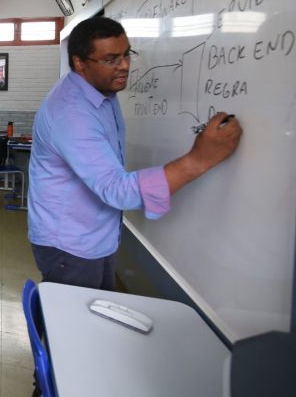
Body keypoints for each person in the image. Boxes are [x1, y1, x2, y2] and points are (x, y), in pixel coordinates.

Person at [28, 17, 243, 290]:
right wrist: (198, 160)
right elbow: (116, 188)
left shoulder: (101, 94)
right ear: (80, 62)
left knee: (94, 319)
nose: (125, 65)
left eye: (127, 54)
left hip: (94, 237)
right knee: (76, 329)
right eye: (111, 59)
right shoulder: (72, 114)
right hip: (70, 246)